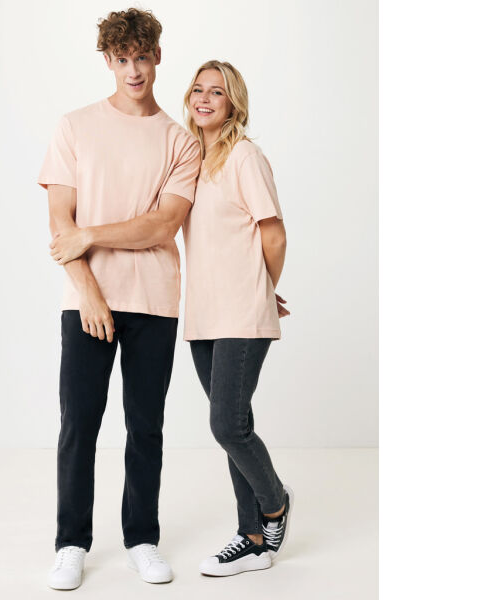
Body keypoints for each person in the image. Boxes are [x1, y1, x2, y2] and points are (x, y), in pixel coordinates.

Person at [37, 8, 200, 589]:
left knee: (145, 425)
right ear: (108, 60)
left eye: (143, 57)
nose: (134, 70)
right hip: (86, 299)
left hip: (155, 299)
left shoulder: (181, 141)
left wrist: (91, 235)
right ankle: (71, 543)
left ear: (158, 56)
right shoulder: (75, 126)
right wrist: (89, 292)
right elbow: (60, 223)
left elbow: (163, 225)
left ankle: (142, 539)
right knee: (79, 424)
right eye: (123, 58)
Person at [182, 60, 294, 577]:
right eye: (198, 90)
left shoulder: (245, 156)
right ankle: (252, 539)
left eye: (217, 93)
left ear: (233, 105)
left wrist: (263, 289)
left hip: (241, 312)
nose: (204, 99)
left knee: (226, 424)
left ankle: (273, 505)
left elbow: (274, 233)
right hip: (202, 315)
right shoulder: (191, 160)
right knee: (235, 425)